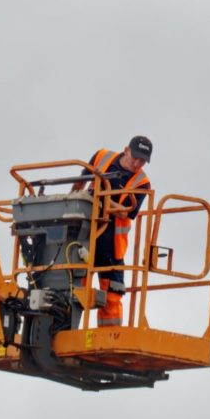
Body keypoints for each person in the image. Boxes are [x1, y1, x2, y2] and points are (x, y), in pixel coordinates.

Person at [73, 136, 153, 327]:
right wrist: (72, 199)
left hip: (112, 245)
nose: (137, 163)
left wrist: (101, 200)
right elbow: (80, 183)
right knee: (74, 291)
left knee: (112, 297)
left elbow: (127, 212)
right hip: (84, 237)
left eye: (142, 160)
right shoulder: (102, 156)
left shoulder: (142, 183)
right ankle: (65, 332)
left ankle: (108, 339)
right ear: (126, 150)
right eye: (135, 157)